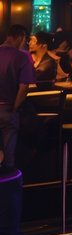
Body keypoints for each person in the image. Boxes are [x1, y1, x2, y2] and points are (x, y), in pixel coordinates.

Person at [0, 25, 35, 170]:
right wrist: (15, 107)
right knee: (8, 158)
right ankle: (7, 189)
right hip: (7, 109)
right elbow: (24, 86)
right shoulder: (21, 57)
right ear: (20, 37)